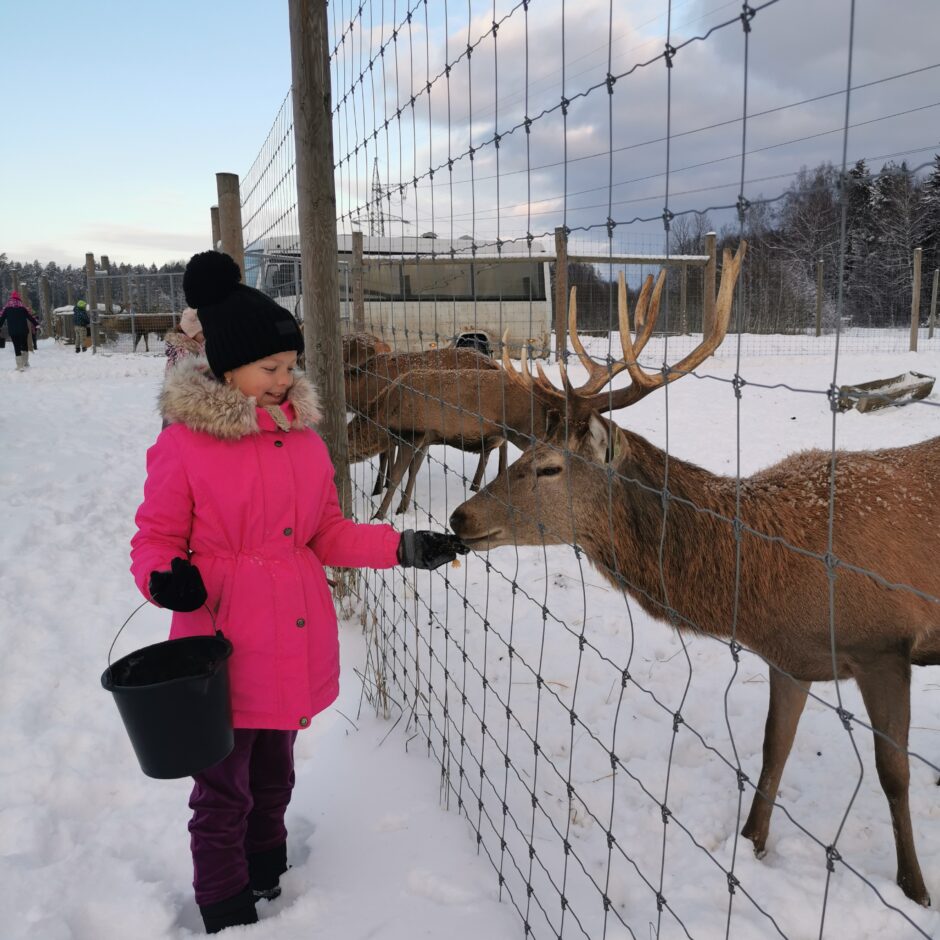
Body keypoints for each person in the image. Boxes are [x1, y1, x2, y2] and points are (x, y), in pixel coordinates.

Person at [129, 250, 467, 935]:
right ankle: (225, 906)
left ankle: (267, 869)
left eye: (291, 366)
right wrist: (165, 578)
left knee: (275, 777)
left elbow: (327, 533)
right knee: (222, 791)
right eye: (271, 368)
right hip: (219, 648)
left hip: (288, 640)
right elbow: (155, 537)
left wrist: (398, 547)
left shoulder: (305, 443)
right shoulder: (185, 446)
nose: (286, 380)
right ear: (228, 369)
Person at [0, 291, 39, 371]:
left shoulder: (7, 309)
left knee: (16, 346)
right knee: (24, 345)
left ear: (11, 298)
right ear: (18, 298)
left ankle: (20, 365)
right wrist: (36, 324)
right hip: (23, 330)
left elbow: (2, 319)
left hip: (13, 331)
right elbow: (30, 317)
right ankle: (25, 362)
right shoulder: (22, 307)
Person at [164, 306, 205, 373]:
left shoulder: (197, 346)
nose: (205, 336)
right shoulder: (183, 353)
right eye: (202, 332)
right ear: (192, 333)